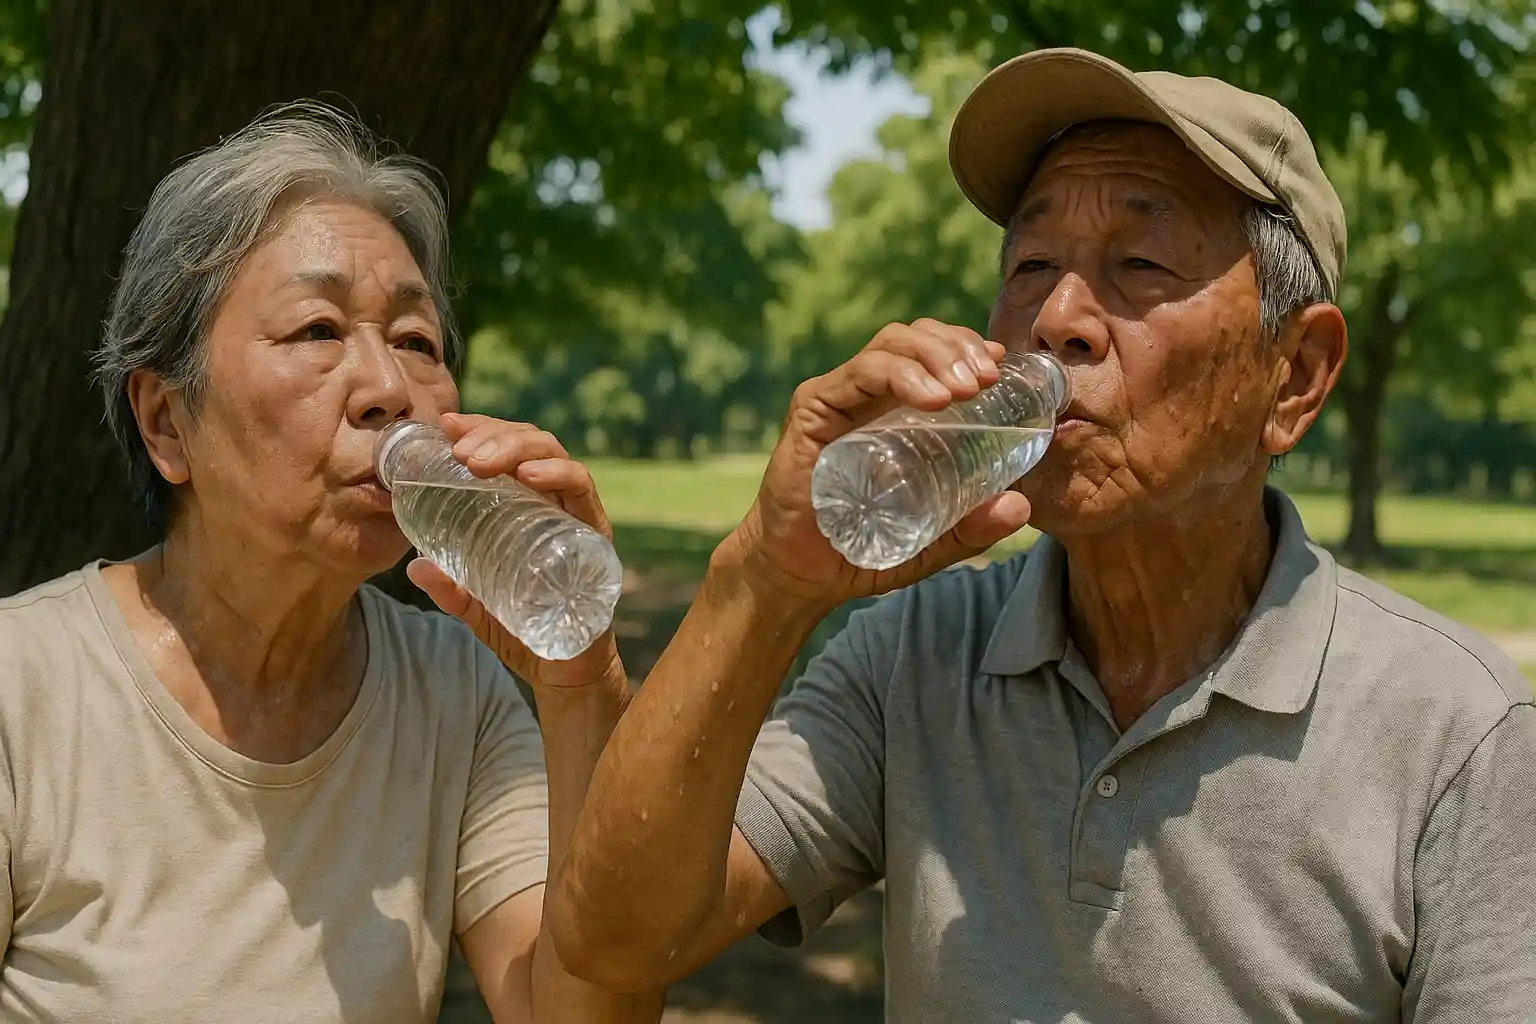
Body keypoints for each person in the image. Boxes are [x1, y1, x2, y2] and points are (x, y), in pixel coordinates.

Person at [548, 47, 1536, 1022]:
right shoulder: (918, 649)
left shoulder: (1456, 732)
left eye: (1140, 264)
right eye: (1031, 263)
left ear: (1298, 375)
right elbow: (617, 941)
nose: (1058, 316)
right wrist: (765, 577)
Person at [0, 103, 663, 1024]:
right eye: (316, 331)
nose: (390, 390)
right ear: (167, 423)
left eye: (415, 341)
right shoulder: (22, 691)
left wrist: (582, 681)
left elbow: (586, 1009)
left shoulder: (454, 693)